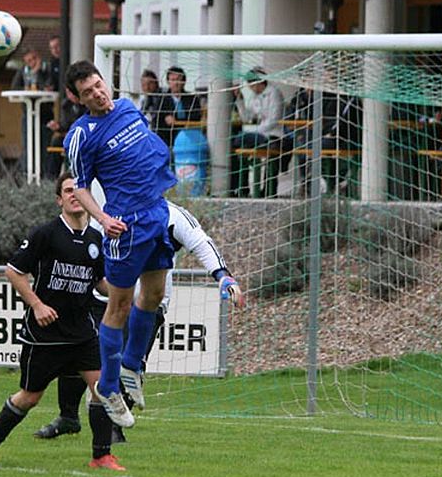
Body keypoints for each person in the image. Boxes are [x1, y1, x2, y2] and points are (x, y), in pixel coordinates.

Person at [34, 199, 245, 439]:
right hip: (102, 299)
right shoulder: (109, 213)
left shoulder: (173, 216)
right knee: (77, 356)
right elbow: (87, 250)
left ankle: (114, 427)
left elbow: (200, 242)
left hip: (145, 306)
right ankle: (68, 417)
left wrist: (222, 275)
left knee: (128, 365)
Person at [0, 172, 125, 471]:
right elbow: (14, 271)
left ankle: (101, 456)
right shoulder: (47, 233)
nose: (73, 195)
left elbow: (99, 282)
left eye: (76, 191)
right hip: (45, 334)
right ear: (60, 199)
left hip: (82, 332)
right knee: (30, 397)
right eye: (67, 191)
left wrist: (125, 292)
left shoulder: (96, 239)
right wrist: (38, 305)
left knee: (102, 389)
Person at [63, 60, 177, 428]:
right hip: (126, 225)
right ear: (78, 99)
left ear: (104, 82)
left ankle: (131, 367)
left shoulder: (129, 107)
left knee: (155, 295)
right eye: (87, 92)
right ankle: (108, 388)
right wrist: (102, 218)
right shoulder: (81, 135)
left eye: (98, 85)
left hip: (156, 212)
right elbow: (80, 185)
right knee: (120, 304)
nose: (97, 93)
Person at [233, 66, 291, 197]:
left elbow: (273, 119)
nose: (249, 88)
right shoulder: (254, 96)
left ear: (259, 82)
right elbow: (247, 117)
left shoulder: (274, 93)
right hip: (259, 134)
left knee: (239, 140)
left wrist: (255, 130)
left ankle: (268, 191)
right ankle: (242, 188)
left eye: (251, 84)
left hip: (274, 135)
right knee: (238, 145)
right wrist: (240, 100)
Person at [12, 48, 59, 179]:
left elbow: (49, 86)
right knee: (28, 145)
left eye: (33, 59)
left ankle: (42, 177)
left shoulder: (46, 69)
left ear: (38, 57)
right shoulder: (23, 71)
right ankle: (26, 175)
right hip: (28, 112)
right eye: (28, 61)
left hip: (44, 114)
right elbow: (15, 87)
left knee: (44, 146)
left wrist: (38, 72)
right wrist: (26, 86)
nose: (31, 63)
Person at [161, 66, 204, 149]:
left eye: (178, 79)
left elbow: (196, 116)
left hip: (190, 137)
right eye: (173, 80)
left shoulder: (192, 98)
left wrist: (177, 121)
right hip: (169, 140)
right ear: (168, 82)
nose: (176, 83)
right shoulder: (162, 100)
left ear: (184, 81)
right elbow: (158, 122)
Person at [137, 69, 170, 144]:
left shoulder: (164, 95)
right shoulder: (145, 100)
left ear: (156, 83)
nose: (147, 87)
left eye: (150, 83)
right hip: (156, 133)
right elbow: (141, 114)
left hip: (168, 133)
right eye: (144, 85)